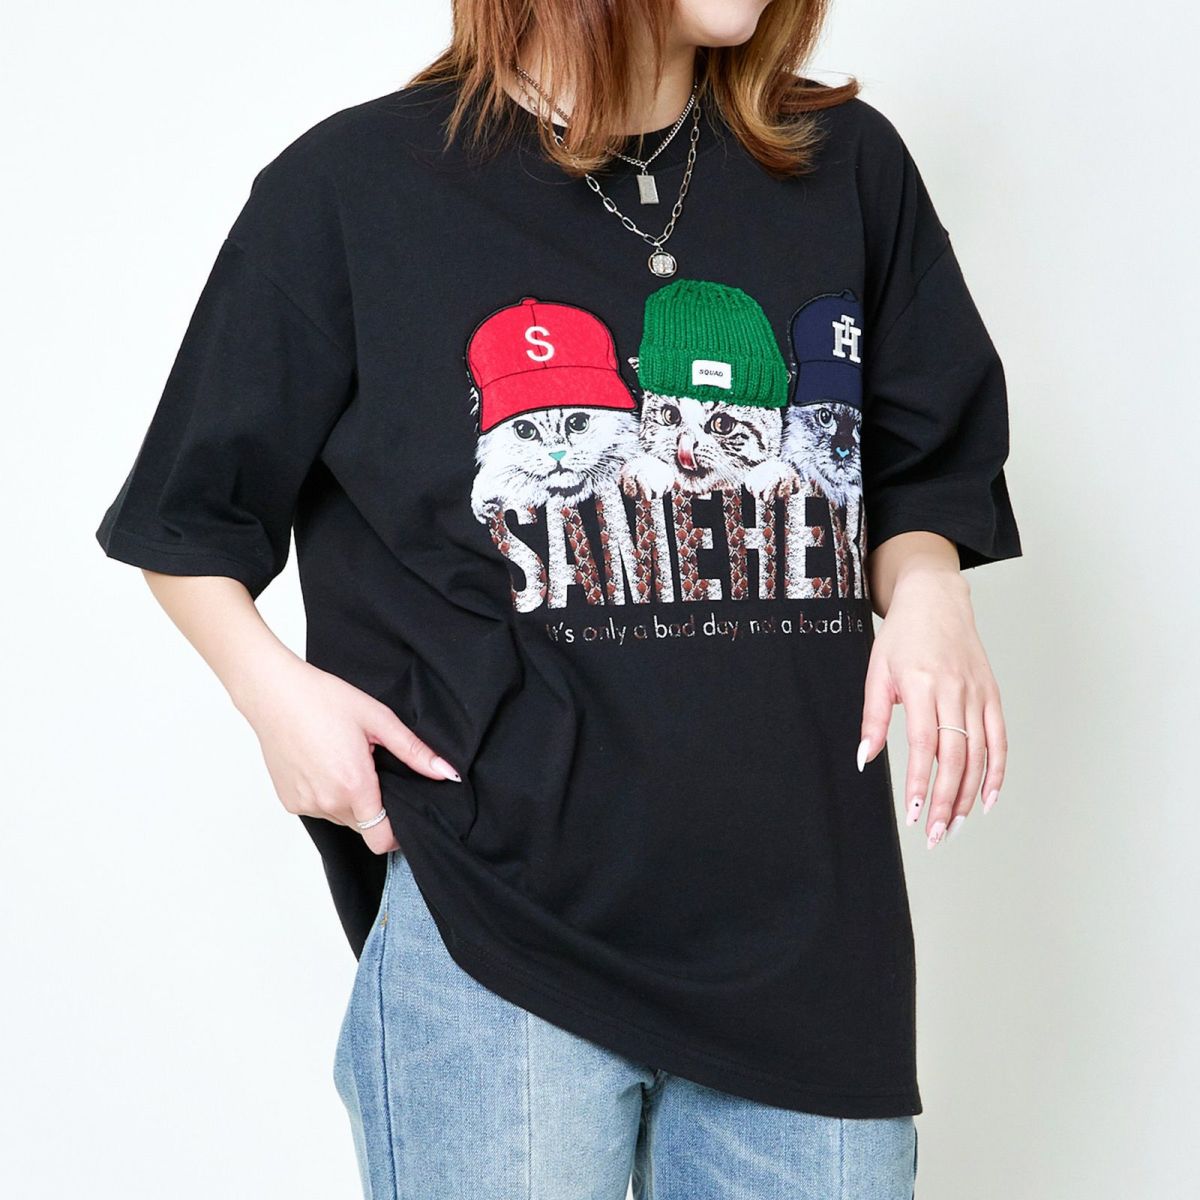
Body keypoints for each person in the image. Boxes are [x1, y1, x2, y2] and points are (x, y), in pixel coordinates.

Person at [95, 0, 1021, 1195]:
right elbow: (187, 517)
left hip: (808, 942)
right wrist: (274, 697)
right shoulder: (354, 187)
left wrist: (931, 587)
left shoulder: (845, 166)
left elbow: (918, 461)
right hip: (498, 943)